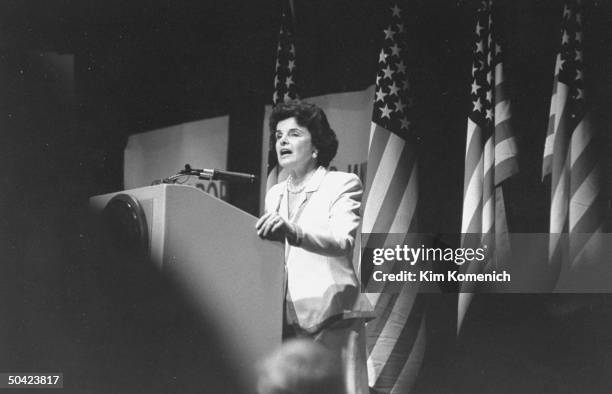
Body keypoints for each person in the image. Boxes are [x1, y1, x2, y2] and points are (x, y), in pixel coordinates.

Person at [256, 100, 372, 393]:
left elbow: (342, 241)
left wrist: (293, 231)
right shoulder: (275, 194)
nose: (283, 141)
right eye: (279, 135)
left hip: (331, 315)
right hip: (283, 318)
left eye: (294, 134)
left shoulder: (342, 183)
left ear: (316, 144)